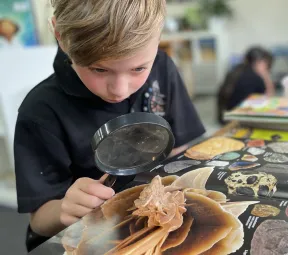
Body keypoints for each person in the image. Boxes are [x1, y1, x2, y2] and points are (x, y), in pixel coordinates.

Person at [14, 0, 205, 251]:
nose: (120, 90)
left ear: (159, 35)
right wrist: (65, 208)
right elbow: (39, 221)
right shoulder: (40, 111)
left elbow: (178, 150)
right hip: (86, 237)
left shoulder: (162, 68)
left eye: (138, 68)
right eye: (99, 69)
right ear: (60, 36)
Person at [217, 47, 275, 124]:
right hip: (239, 121)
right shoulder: (254, 77)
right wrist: (265, 75)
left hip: (225, 117)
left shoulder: (236, 69)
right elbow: (270, 98)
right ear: (260, 62)